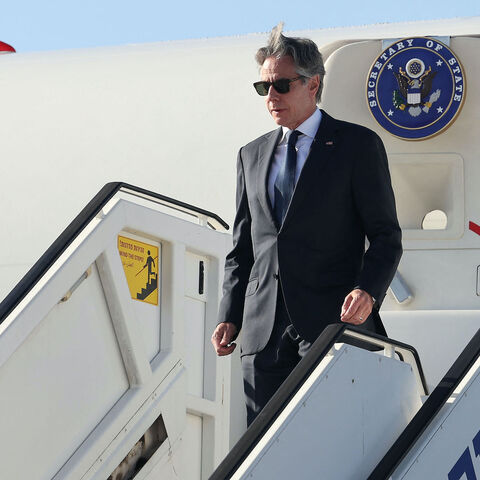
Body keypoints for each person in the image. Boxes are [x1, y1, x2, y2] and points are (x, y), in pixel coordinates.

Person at [211, 25, 402, 426]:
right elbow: (243, 248)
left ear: (313, 84)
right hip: (262, 334)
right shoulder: (251, 155)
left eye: (281, 85)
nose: (272, 97)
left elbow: (386, 236)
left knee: (335, 436)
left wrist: (368, 291)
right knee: (263, 447)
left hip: (333, 321)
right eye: (264, 88)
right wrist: (230, 314)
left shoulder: (356, 146)